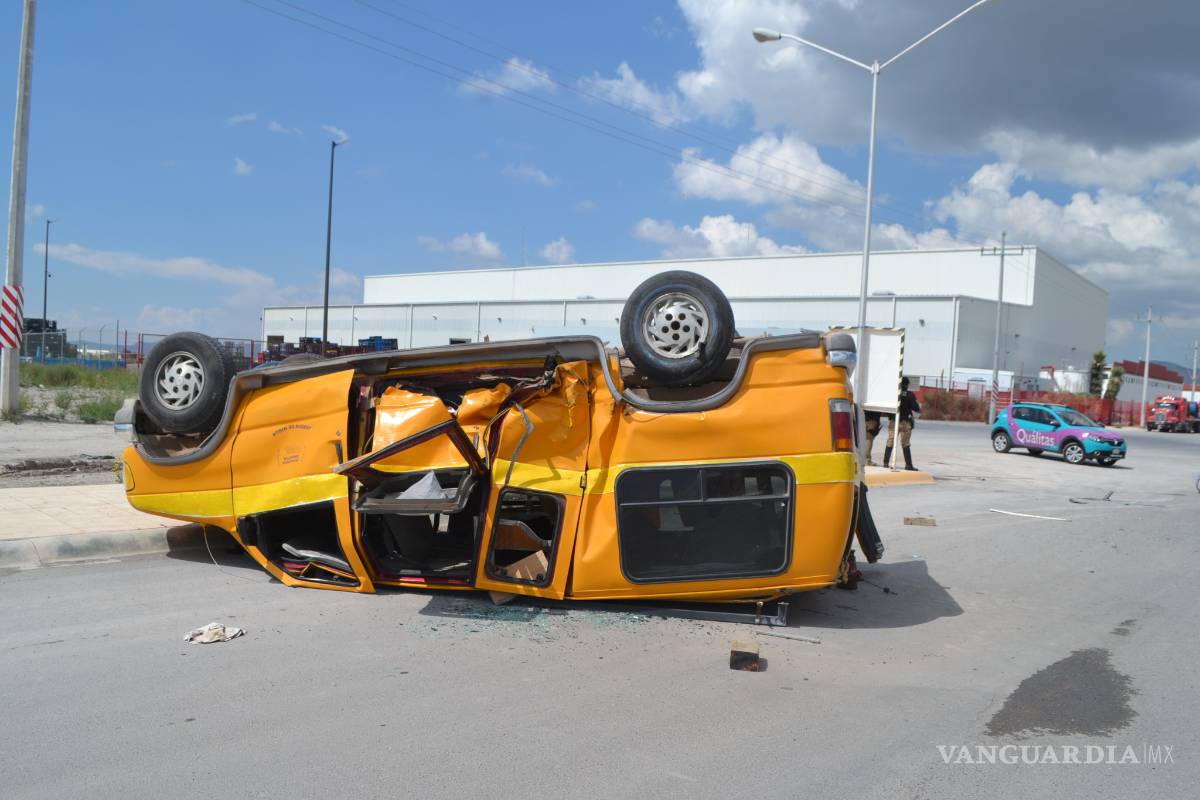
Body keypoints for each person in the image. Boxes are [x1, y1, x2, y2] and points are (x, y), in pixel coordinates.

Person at [883, 377, 920, 471]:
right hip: (905, 422)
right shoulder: (910, 395)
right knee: (905, 443)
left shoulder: (894, 394)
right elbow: (916, 408)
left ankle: (886, 462)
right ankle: (908, 465)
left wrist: (890, 417)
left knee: (890, 441)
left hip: (893, 421)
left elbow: (888, 407)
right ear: (907, 385)